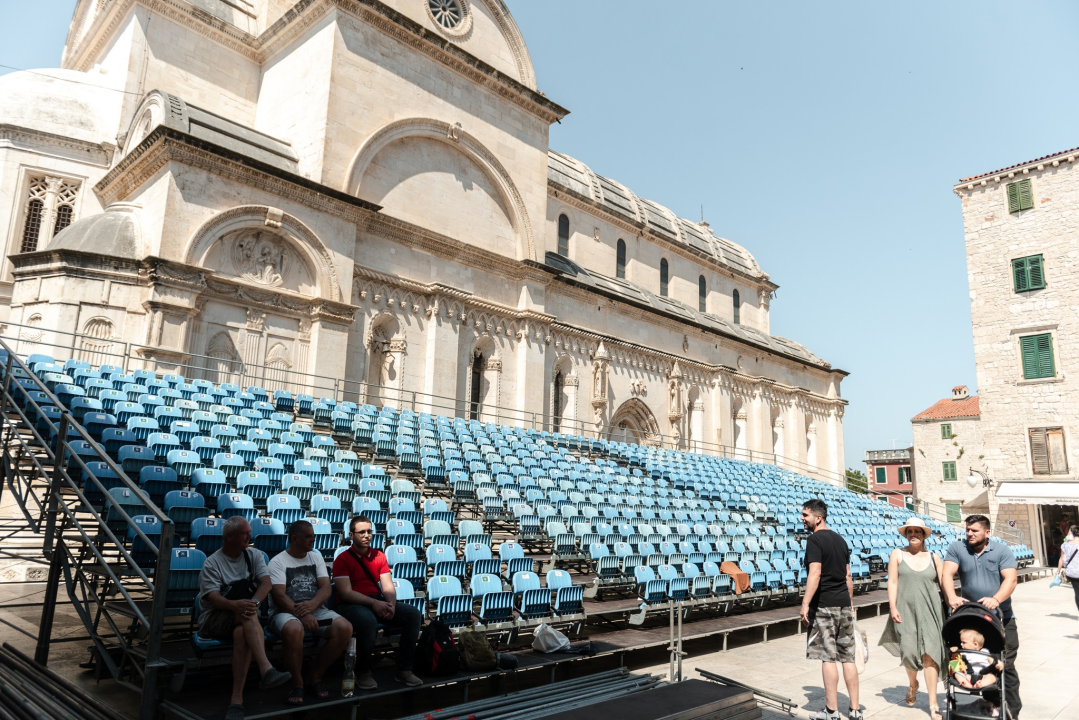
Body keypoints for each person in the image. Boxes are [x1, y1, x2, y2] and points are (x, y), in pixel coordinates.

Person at [197, 516, 291, 720]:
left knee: (242, 631)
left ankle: (236, 699)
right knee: (246, 614)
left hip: (244, 616)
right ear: (229, 536)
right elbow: (213, 598)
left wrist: (253, 603)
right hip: (214, 618)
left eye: (249, 532)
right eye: (245, 533)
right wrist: (235, 605)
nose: (250, 536)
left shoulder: (254, 555)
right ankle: (266, 668)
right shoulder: (212, 563)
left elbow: (266, 583)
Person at [267, 520, 354, 705]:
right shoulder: (277, 562)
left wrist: (312, 605)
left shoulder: (316, 557)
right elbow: (279, 596)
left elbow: (326, 588)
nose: (313, 539)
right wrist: (303, 614)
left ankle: (315, 677)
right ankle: (297, 683)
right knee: (293, 629)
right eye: (308, 536)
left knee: (344, 628)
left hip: (316, 609)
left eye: (313, 536)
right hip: (284, 612)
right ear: (294, 539)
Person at [332, 515, 423, 689]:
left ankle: (404, 670)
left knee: (413, 614)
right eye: (361, 532)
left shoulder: (379, 556)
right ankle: (363, 672)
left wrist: (391, 606)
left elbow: (388, 587)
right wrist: (374, 604)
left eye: (369, 531)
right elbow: (345, 593)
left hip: (376, 600)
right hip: (350, 604)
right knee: (368, 621)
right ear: (351, 535)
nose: (367, 535)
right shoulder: (342, 559)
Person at [943, 515, 1020, 719]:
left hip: (1001, 618)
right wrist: (951, 597)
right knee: (972, 661)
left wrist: (996, 599)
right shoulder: (957, 548)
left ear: (987, 532)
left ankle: (1012, 711)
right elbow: (947, 574)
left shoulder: (1001, 550)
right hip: (973, 619)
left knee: (1005, 665)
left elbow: (1011, 580)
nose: (969, 533)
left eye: (974, 530)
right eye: (967, 529)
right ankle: (991, 705)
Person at [878, 517, 946, 720]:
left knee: (930, 656)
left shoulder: (934, 558)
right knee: (908, 653)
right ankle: (913, 684)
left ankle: (933, 704)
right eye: (910, 531)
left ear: (924, 535)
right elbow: (892, 582)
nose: (913, 534)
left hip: (931, 612)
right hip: (904, 610)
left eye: (917, 531)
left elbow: (944, 585)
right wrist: (892, 607)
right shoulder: (897, 554)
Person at [799, 499, 861, 720]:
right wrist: (850, 604)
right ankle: (855, 710)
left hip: (824, 605)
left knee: (828, 658)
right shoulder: (840, 539)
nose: (802, 518)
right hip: (843, 604)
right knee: (848, 658)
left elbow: (815, 573)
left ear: (818, 518)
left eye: (805, 515)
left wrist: (805, 603)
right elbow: (848, 576)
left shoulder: (814, 540)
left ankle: (832, 712)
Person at [1057, 523, 1079, 613]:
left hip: (1072, 572)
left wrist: (1058, 570)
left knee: (1077, 592)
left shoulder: (1065, 544)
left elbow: (1061, 559)